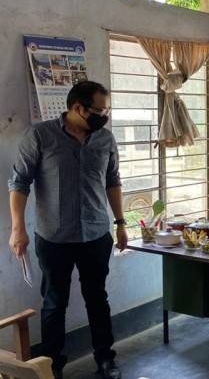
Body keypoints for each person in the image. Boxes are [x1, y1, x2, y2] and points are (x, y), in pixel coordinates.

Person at [8, 81, 127, 379]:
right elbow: (19, 182)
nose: (104, 116)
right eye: (100, 110)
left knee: (97, 299)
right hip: (54, 237)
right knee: (54, 304)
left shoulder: (105, 139)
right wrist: (17, 229)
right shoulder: (41, 135)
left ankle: (105, 360)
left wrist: (121, 222)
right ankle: (52, 367)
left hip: (96, 234)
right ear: (78, 108)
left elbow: (112, 181)